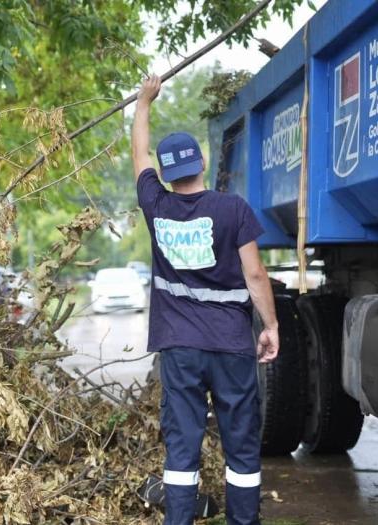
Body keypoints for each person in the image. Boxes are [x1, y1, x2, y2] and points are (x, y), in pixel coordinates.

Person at [132, 75, 279, 525]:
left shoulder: (156, 205)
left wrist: (143, 103)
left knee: (182, 444)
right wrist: (270, 326)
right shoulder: (232, 209)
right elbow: (255, 274)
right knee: (241, 442)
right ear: (201, 163)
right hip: (232, 344)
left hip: (179, 347)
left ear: (166, 173)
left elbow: (139, 154)